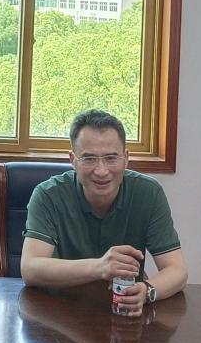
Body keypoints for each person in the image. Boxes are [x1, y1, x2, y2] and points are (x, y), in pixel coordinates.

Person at [20, 109, 187, 316]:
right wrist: (99, 267)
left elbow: (177, 270)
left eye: (111, 158)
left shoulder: (148, 193)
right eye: (89, 158)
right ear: (73, 160)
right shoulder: (48, 195)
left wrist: (147, 291)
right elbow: (30, 268)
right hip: (58, 312)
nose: (101, 171)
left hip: (123, 312)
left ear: (126, 158)